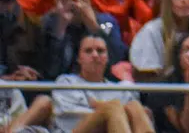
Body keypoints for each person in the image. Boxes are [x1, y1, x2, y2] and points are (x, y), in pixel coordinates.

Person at [6, 31, 153, 133]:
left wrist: (96, 105)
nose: (95, 55)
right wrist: (107, 109)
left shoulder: (123, 87)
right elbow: (69, 120)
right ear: (79, 58)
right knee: (112, 108)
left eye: (100, 51)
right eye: (88, 51)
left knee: (135, 106)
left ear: (108, 58)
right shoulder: (66, 82)